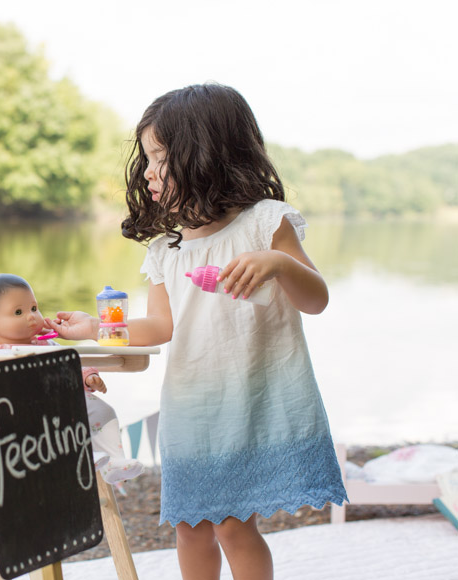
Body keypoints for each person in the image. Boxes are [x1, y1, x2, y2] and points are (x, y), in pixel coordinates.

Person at [46, 83, 347, 580]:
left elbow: (316, 300)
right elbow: (161, 326)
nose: (147, 171)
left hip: (253, 401)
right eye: (145, 158)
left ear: (206, 155)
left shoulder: (265, 224)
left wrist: (277, 264)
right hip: (192, 407)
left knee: (232, 525)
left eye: (159, 157)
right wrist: (96, 327)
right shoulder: (168, 247)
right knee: (189, 526)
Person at [0, 273, 143, 485]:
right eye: (18, 312)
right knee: (61, 419)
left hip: (68, 398)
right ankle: (82, 456)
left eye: (34, 308)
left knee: (105, 412)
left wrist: (89, 376)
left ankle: (114, 464)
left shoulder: (48, 345)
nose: (31, 316)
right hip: (36, 412)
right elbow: (0, 388)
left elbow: (70, 363)